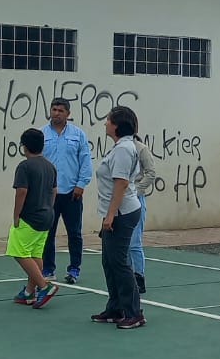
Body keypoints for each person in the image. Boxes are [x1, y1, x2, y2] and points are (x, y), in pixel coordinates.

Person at [90, 105, 145, 329]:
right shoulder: (119, 147)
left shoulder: (123, 149)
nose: (105, 123)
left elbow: (121, 183)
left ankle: (134, 312)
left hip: (122, 212)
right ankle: (116, 307)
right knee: (109, 261)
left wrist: (111, 215)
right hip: (115, 211)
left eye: (108, 120)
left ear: (117, 125)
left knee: (119, 262)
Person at [41, 98, 92, 284]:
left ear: (68, 114)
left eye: (60, 110)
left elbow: (85, 160)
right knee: (47, 233)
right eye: (54, 109)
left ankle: (74, 269)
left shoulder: (78, 135)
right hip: (49, 193)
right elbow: (37, 160)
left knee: (74, 233)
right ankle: (48, 269)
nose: (56, 113)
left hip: (72, 192)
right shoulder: (42, 133)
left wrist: (81, 184)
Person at [8, 128, 60, 308]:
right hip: (47, 215)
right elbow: (54, 191)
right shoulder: (50, 166)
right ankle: (29, 292)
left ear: (24, 146)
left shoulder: (25, 166)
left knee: (18, 252)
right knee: (35, 253)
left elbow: (21, 191)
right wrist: (49, 207)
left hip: (30, 217)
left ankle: (44, 286)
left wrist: (16, 215)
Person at [128, 127, 158, 296]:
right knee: (123, 244)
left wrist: (137, 190)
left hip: (135, 199)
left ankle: (138, 276)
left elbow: (151, 173)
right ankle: (126, 277)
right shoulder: (117, 149)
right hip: (120, 199)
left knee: (134, 241)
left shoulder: (140, 148)